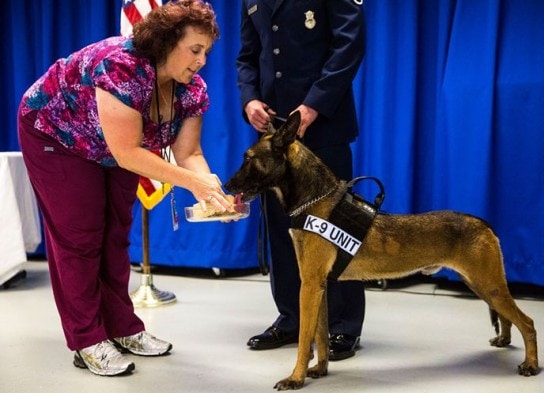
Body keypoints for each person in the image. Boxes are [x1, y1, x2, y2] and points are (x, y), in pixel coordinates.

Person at [17, 0, 230, 377]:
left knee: (115, 234)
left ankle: (121, 327)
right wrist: (193, 182)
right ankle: (86, 339)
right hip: (56, 133)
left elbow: (189, 152)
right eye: (195, 50)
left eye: (206, 52)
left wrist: (209, 190)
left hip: (111, 146)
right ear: (167, 42)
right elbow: (128, 151)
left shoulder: (191, 88)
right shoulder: (123, 66)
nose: (201, 61)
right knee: (80, 237)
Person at [236, 0, 367, 361]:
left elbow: (349, 44)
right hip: (274, 131)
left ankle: (343, 324)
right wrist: (250, 100)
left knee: (336, 227)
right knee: (282, 228)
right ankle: (293, 318)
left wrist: (313, 104)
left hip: (323, 123)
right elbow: (248, 56)